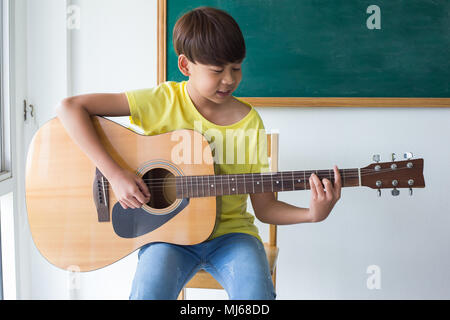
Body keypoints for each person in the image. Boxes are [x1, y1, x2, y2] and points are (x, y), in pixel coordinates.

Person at [56, 6, 341, 300]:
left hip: (233, 237)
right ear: (185, 65)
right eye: (217, 71)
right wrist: (114, 174)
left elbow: (265, 208)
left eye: (236, 68)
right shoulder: (160, 101)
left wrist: (311, 214)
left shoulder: (249, 122)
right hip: (167, 237)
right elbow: (70, 108)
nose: (229, 79)